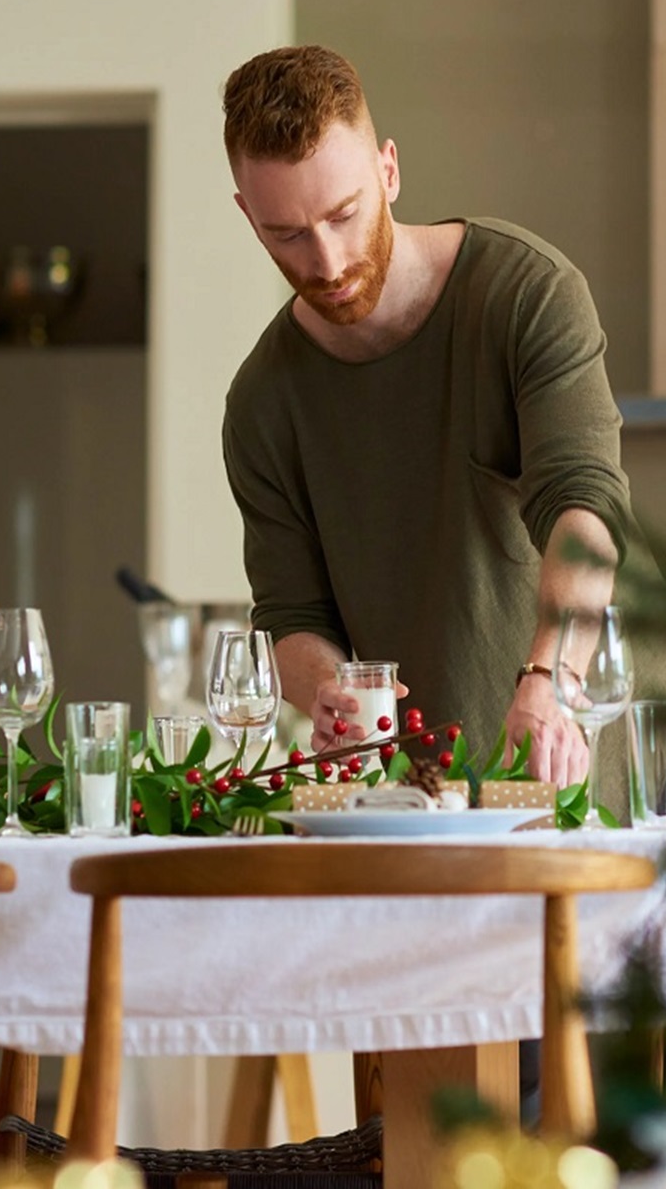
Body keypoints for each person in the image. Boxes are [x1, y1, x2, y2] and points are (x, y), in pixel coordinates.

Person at [219, 45, 633, 786]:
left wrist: (549, 678)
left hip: (594, 751)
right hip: (425, 798)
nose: (328, 260)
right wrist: (326, 689)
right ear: (248, 216)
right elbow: (290, 615)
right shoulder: (262, 402)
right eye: (287, 234)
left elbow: (584, 508)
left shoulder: (525, 295)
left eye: (345, 214)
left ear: (388, 171)